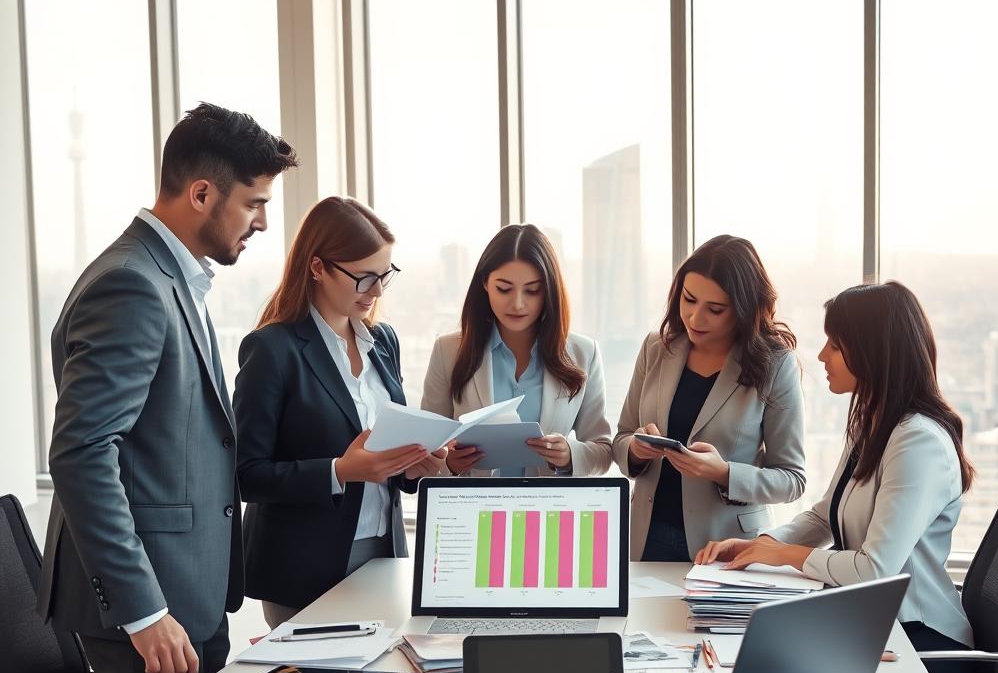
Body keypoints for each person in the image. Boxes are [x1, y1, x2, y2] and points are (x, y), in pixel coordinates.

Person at [39, 103, 298, 673]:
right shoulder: (131, 285)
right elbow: (82, 452)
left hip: (186, 595)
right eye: (254, 203)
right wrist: (144, 611)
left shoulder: (169, 276)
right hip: (153, 612)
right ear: (202, 193)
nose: (263, 222)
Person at [695, 281, 974, 673]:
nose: (823, 356)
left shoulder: (918, 441)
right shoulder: (874, 423)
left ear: (874, 353)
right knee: (744, 665)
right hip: (871, 623)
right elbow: (825, 514)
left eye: (836, 346)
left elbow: (874, 570)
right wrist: (760, 546)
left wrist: (785, 555)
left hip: (922, 644)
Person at [233, 197, 444, 629]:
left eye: (384, 275)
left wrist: (414, 465)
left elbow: (385, 461)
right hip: (303, 566)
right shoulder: (272, 350)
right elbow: (246, 474)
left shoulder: (383, 341)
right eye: (364, 277)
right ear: (318, 267)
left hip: (383, 554)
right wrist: (339, 471)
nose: (377, 291)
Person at [613, 235, 806, 561]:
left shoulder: (775, 364)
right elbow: (621, 439)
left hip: (726, 545)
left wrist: (724, 473)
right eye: (689, 300)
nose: (695, 318)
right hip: (646, 538)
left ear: (744, 309)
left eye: (715, 309)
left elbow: (792, 480)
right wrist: (635, 448)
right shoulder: (656, 348)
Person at [421, 224, 612, 477]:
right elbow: (425, 453)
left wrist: (569, 455)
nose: (518, 303)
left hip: (548, 503)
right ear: (485, 283)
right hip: (473, 502)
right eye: (504, 289)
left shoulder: (584, 353)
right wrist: (450, 465)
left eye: (532, 290)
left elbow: (603, 451)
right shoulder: (448, 352)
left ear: (548, 290)